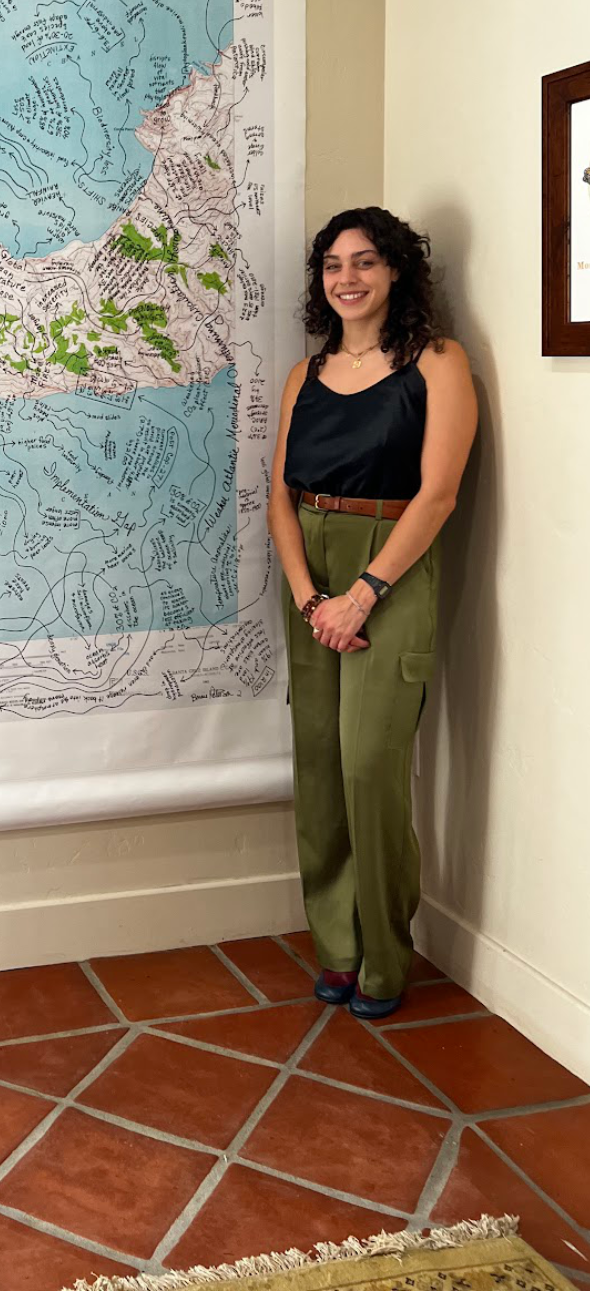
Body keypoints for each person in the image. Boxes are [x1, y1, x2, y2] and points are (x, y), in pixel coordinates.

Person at [264, 207, 474, 1020]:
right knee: (318, 770)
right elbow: (280, 496)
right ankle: (338, 949)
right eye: (332, 265)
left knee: (368, 768)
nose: (346, 278)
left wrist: (363, 594)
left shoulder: (439, 363)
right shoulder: (303, 375)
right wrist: (309, 595)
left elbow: (440, 494)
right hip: (311, 574)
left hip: (391, 566)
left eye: (365, 262)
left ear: (396, 272)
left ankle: (386, 954)